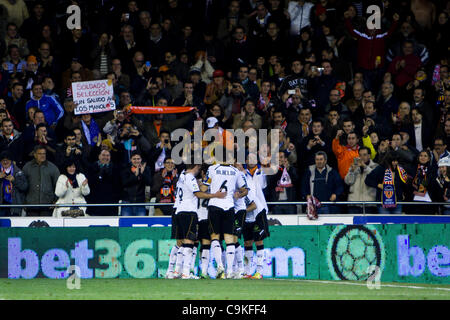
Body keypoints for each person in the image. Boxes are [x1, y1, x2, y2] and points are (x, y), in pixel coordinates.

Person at [171, 163, 226, 279]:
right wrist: (215, 195)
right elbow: (199, 193)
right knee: (190, 242)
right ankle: (187, 272)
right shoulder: (193, 179)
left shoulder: (182, 176)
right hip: (193, 213)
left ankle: (177, 271)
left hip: (183, 211)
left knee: (186, 243)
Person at [203, 146, 249, 279]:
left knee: (215, 237)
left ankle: (220, 266)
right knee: (230, 239)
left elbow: (204, 187)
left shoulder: (212, 169)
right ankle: (229, 271)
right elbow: (245, 189)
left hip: (215, 206)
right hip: (229, 207)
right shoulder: (236, 171)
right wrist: (239, 195)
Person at [242, 152, 269, 279]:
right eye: (249, 158)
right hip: (247, 211)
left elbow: (264, 185)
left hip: (259, 210)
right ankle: (247, 271)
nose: (251, 160)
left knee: (259, 240)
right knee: (247, 241)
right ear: (246, 160)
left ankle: (259, 271)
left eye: (254, 158)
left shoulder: (261, 172)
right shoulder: (242, 174)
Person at [22, 145, 60, 216]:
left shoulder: (53, 168)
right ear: (34, 154)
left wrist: (55, 201)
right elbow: (22, 186)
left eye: (44, 154)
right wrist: (23, 202)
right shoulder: (27, 167)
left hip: (48, 206)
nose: (42, 156)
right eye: (40, 154)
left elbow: (58, 186)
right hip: (31, 205)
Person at [85, 149, 121, 216]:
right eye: (103, 155)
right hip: (95, 205)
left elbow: (118, 186)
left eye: (107, 155)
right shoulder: (91, 168)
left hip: (111, 206)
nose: (105, 157)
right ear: (99, 156)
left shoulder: (116, 168)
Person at [344, 147, 378, 214]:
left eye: (364, 155)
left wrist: (365, 167)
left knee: (369, 225)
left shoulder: (375, 166)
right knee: (354, 225)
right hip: (354, 204)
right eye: (360, 155)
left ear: (369, 156)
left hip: (369, 204)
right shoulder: (354, 167)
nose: (362, 157)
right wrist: (352, 171)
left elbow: (376, 178)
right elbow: (348, 181)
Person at [120, 151, 151, 216]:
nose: (136, 161)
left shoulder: (146, 169)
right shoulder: (125, 169)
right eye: (134, 159)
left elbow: (149, 182)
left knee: (140, 224)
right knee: (126, 224)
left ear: (141, 159)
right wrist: (135, 175)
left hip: (140, 202)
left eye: (138, 159)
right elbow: (124, 183)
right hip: (127, 202)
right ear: (131, 159)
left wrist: (142, 173)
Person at [0, 151, 27, 216]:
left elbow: (24, 187)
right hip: (1, 206)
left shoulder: (18, 172)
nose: (5, 162)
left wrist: (14, 180)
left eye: (7, 160)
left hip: (14, 206)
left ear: (11, 161)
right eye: (3, 160)